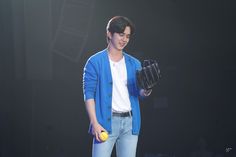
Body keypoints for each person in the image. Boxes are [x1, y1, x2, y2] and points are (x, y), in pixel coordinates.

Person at [83, 16, 152, 157]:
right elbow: (89, 94)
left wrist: (147, 88)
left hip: (130, 124)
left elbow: (140, 93)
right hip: (105, 124)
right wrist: (94, 123)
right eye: (121, 35)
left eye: (127, 36)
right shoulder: (95, 62)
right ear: (109, 33)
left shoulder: (135, 63)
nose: (124, 39)